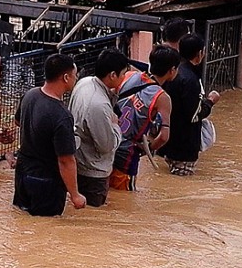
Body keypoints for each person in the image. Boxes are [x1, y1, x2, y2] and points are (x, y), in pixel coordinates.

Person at [12, 53, 85, 216]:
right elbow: (66, 160)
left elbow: (19, 122)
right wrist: (75, 195)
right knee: (47, 227)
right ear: (66, 77)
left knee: (24, 220)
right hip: (46, 182)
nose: (76, 78)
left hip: (22, 174)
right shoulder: (62, 115)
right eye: (75, 75)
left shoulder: (30, 95)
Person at [110, 45, 179, 191]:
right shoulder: (162, 98)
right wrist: (146, 150)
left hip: (108, 142)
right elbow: (164, 137)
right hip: (127, 153)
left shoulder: (130, 76)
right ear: (172, 70)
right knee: (124, 197)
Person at [68, 48, 127, 207]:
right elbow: (106, 146)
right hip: (93, 173)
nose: (124, 79)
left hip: (77, 162)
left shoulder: (84, 82)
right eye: (123, 74)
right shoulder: (99, 105)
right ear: (113, 75)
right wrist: (115, 127)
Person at [157, 33, 220, 175]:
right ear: (199, 54)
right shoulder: (190, 79)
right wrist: (210, 101)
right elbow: (194, 115)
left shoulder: (171, 71)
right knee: (179, 184)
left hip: (167, 143)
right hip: (184, 147)